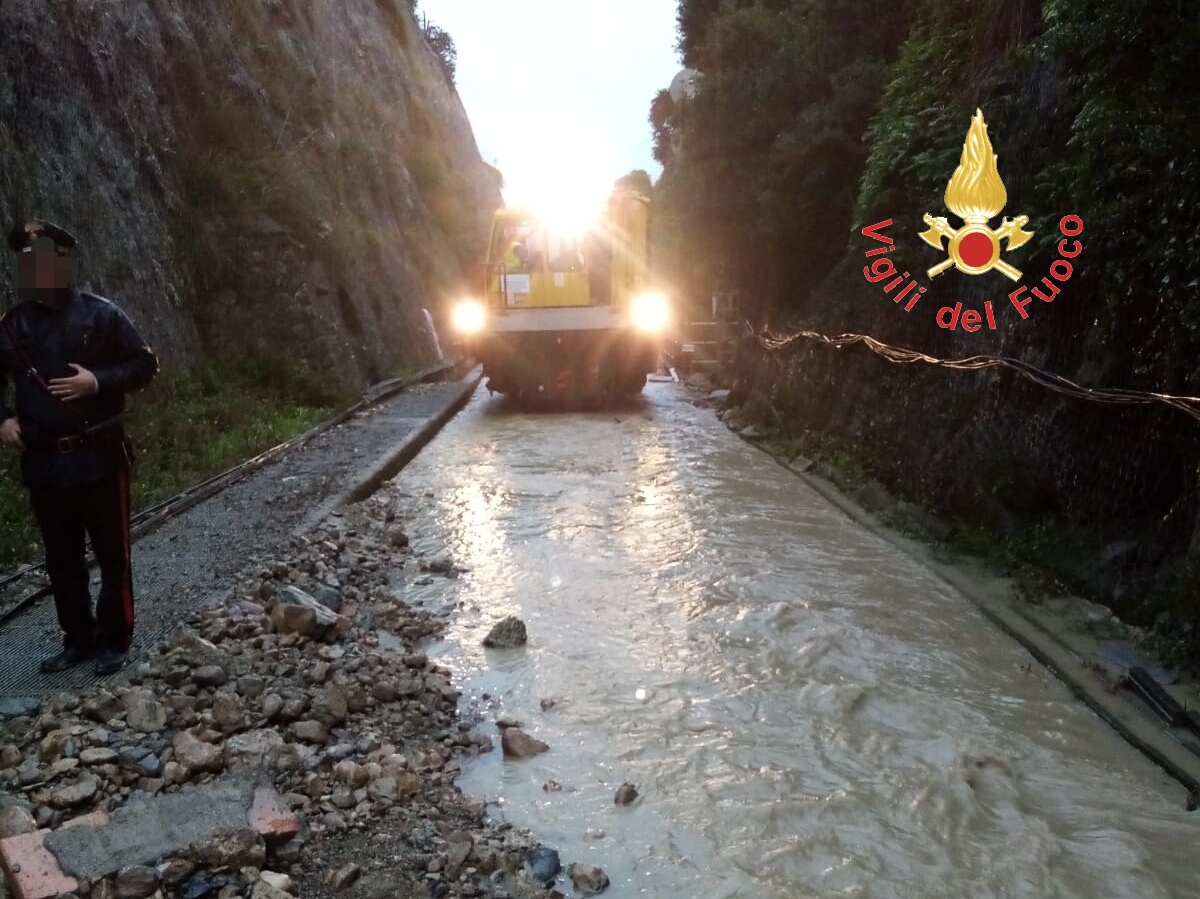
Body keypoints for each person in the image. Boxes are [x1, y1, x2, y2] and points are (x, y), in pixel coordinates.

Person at [0, 219, 159, 675]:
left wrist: (97, 381)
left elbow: (144, 364)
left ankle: (115, 638)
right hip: (45, 463)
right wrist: (4, 419)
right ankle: (78, 639)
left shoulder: (101, 314)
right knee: (62, 559)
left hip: (99, 456)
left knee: (112, 554)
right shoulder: (11, 327)